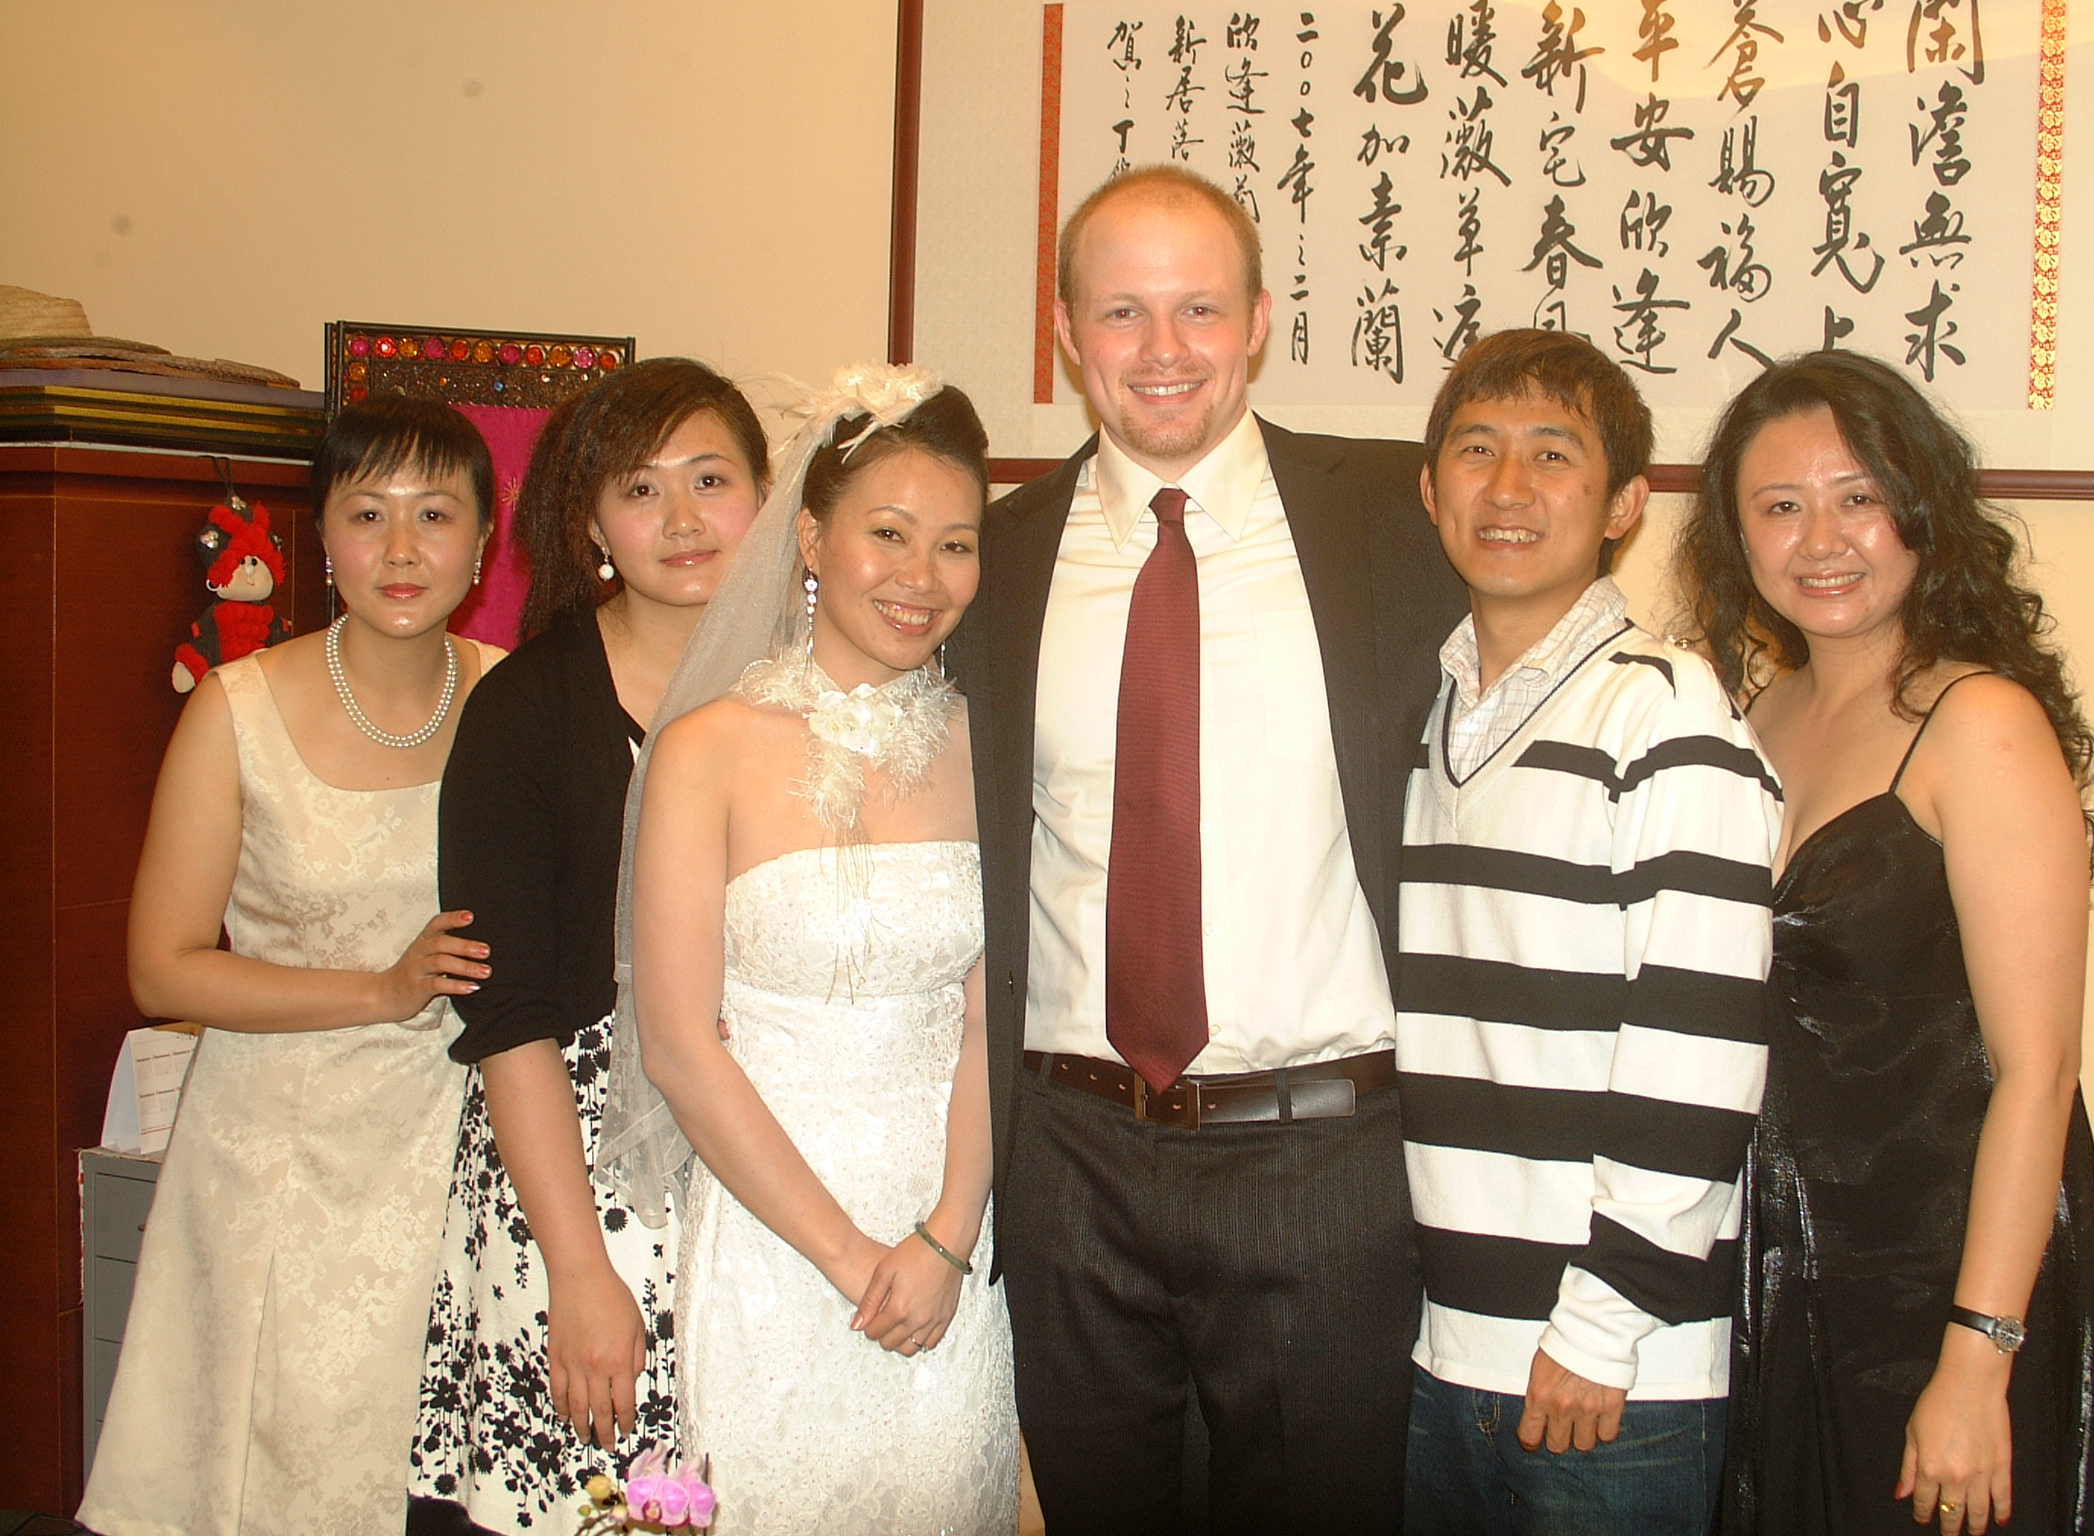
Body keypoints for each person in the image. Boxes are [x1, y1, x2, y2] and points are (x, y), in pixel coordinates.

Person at [948, 164, 1466, 1533]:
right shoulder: (990, 561)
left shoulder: (1397, 523)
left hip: (1325, 1160)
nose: (1162, 349)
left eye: (1198, 308)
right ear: (1067, 333)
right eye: (1122, 312)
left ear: (1260, 322)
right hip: (1070, 1159)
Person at [1677, 351, 2094, 1535]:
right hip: (1775, 1277)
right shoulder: (1750, 718)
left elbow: (2039, 1072)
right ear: (1738, 536)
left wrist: (1978, 1356)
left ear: (1920, 509)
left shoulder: (1980, 723)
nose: (1821, 539)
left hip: (1944, 1286)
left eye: (1858, 496)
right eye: (1781, 505)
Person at [604, 366, 1016, 1533]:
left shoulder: (988, 743)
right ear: (811, 539)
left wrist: (949, 1234)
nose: (922, 576)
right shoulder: (706, 750)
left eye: (955, 546)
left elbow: (991, 1016)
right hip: (775, 1237)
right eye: (888, 534)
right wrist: (847, 1257)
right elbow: (680, 1048)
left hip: (950, 1232)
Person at [81, 398, 502, 1536]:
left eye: (434, 514)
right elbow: (163, 970)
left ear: (482, 540)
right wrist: (380, 991)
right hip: (275, 1160)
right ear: (323, 534)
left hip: (457, 1155)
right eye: (368, 513)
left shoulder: (514, 699)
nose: (401, 548)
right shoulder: (237, 709)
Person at [1396, 328, 1781, 1536]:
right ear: (1430, 489)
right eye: (1477, 451)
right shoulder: (1424, 714)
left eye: (1553, 455)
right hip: (1438, 1353)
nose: (1508, 488)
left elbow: (1703, 1041)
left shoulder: (1665, 711)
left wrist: (1603, 1325)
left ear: (1623, 505)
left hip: (1615, 1380)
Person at [407, 359, 769, 1534]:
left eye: (710, 479)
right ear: (593, 524)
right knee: (597, 1506)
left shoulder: (820, 690)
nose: (683, 519)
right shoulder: (526, 712)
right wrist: (576, 1269)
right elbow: (505, 1014)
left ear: (768, 498)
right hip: (584, 1180)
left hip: (770, 1165)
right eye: (640, 488)